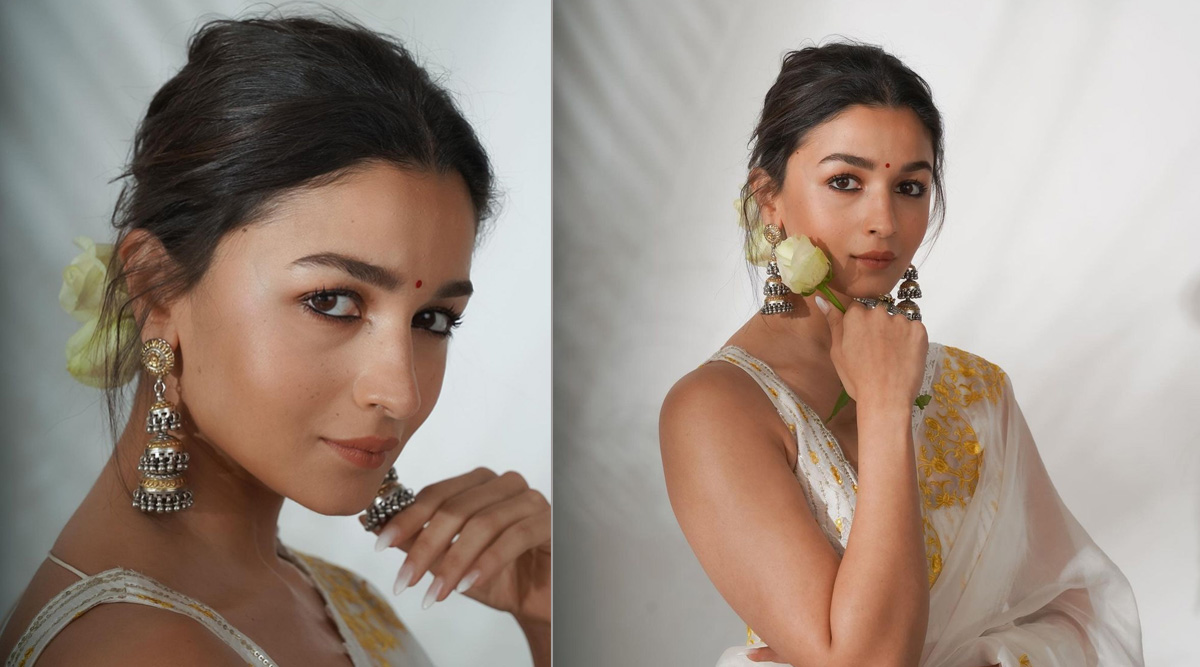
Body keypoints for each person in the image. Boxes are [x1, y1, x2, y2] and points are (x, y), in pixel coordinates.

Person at [0, 12, 550, 667]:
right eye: (333, 301)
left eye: (432, 319)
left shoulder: (326, 593)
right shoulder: (135, 651)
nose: (399, 390)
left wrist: (546, 614)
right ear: (154, 289)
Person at [658, 41, 1142, 667]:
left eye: (909, 186)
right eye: (845, 182)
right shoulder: (714, 410)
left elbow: (1081, 608)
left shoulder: (975, 388)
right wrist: (886, 405)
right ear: (768, 198)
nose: (883, 219)